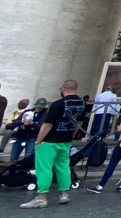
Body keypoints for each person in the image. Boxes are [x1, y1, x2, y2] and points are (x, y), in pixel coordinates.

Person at [19, 80, 85, 210]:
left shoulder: (58, 104)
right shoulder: (82, 103)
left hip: (50, 140)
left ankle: (41, 197)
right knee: (63, 167)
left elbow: (47, 124)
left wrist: (39, 140)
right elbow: (79, 122)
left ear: (63, 89)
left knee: (44, 168)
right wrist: (71, 134)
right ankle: (64, 194)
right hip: (65, 140)